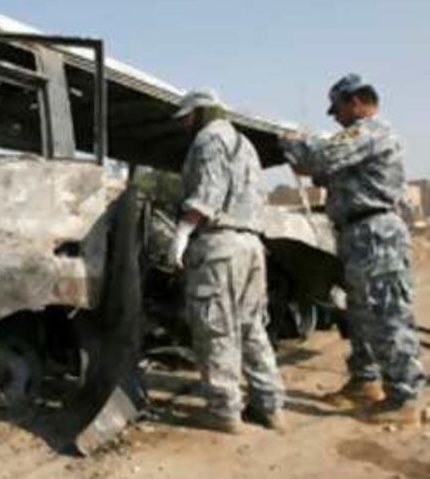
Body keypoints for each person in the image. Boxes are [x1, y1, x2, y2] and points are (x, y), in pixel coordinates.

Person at [280, 74, 425, 424]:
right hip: (357, 235)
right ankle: (365, 380)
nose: (336, 118)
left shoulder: (369, 132)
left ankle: (405, 397)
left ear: (356, 101)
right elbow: (319, 172)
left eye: (338, 109)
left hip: (376, 234)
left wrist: (290, 139)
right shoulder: (359, 142)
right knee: (360, 314)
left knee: (387, 315)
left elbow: (318, 158)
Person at [169, 89, 286, 434]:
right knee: (252, 328)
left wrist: (182, 233)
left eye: (187, 116)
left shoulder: (208, 140)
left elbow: (207, 194)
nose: (185, 124)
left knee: (216, 328)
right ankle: (270, 406)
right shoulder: (245, 144)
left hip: (219, 245)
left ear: (202, 112)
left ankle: (223, 411)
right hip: (251, 244)